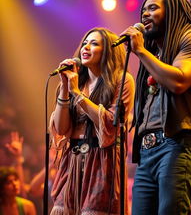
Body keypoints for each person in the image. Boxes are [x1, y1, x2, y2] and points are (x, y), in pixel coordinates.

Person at [120, 0, 191, 214]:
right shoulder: (155, 52)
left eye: (153, 8)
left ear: (173, 12)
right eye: (143, 11)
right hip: (147, 152)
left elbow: (179, 81)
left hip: (176, 144)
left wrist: (140, 52)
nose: (145, 15)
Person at [49, 27, 135, 215]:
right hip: (72, 157)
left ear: (108, 51)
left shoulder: (122, 80)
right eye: (85, 43)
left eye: (94, 43)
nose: (86, 47)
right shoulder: (75, 82)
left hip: (102, 158)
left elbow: (111, 124)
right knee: (61, 210)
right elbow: (62, 129)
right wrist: (64, 88)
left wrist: (77, 95)